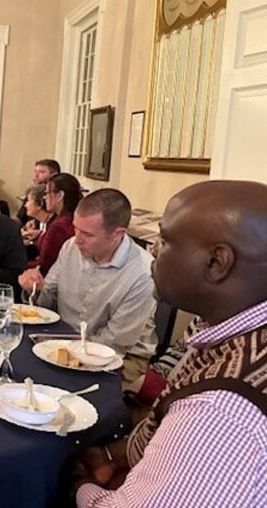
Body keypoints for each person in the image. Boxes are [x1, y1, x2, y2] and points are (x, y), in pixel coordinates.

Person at [72, 180, 267, 508]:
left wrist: (75, 481)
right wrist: (108, 454)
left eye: (164, 240)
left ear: (217, 262)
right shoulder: (229, 332)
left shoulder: (221, 413)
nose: (153, 251)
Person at [19, 188, 156, 386]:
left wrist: (61, 353)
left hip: (120, 359)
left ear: (118, 234)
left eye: (87, 234)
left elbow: (113, 344)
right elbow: (47, 302)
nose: (77, 238)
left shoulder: (142, 274)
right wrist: (36, 289)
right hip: (63, 340)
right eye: (75, 229)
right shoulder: (70, 247)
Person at [33, 172, 82, 275]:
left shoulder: (59, 227)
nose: (45, 198)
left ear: (60, 195)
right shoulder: (68, 218)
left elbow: (45, 266)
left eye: (47, 193)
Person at [17, 158, 60, 226]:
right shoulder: (32, 193)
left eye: (41, 172)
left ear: (54, 175)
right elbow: (20, 218)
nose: (36, 175)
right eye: (35, 171)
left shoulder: (55, 199)